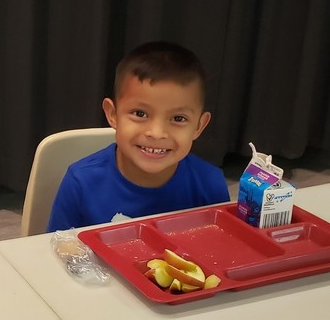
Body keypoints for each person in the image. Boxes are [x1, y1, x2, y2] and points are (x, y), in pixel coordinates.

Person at [47, 41, 229, 231]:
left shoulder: (211, 185)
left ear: (199, 126)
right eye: (140, 114)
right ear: (112, 114)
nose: (157, 133)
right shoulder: (80, 182)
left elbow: (219, 253)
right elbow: (56, 250)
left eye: (178, 118)